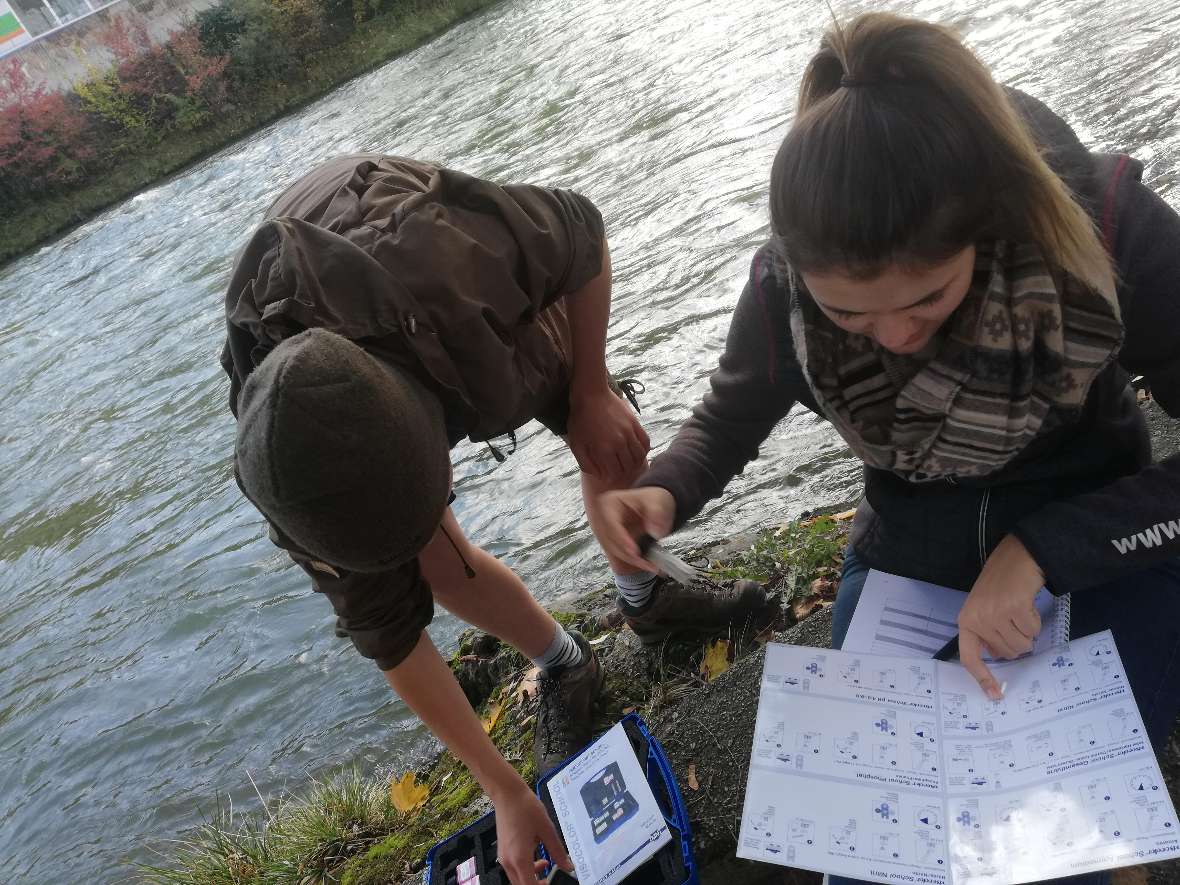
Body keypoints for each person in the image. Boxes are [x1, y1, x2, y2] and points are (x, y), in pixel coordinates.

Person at [597, 15, 1180, 883]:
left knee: (1076, 837)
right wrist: (667, 489)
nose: (897, 337)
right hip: (911, 555)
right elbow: (733, 410)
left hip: (1099, 539)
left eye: (930, 298)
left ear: (989, 225)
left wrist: (1043, 550)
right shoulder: (783, 287)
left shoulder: (1101, 228)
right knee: (881, 848)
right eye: (851, 317)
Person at [219, 155, 768, 884]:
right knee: (437, 562)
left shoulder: (452, 262)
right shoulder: (291, 476)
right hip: (338, 376)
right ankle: (566, 663)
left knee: (605, 431)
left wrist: (592, 387)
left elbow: (583, 234)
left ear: (433, 426)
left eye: (429, 494)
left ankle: (649, 598)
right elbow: (390, 636)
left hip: (422, 297)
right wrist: (500, 784)